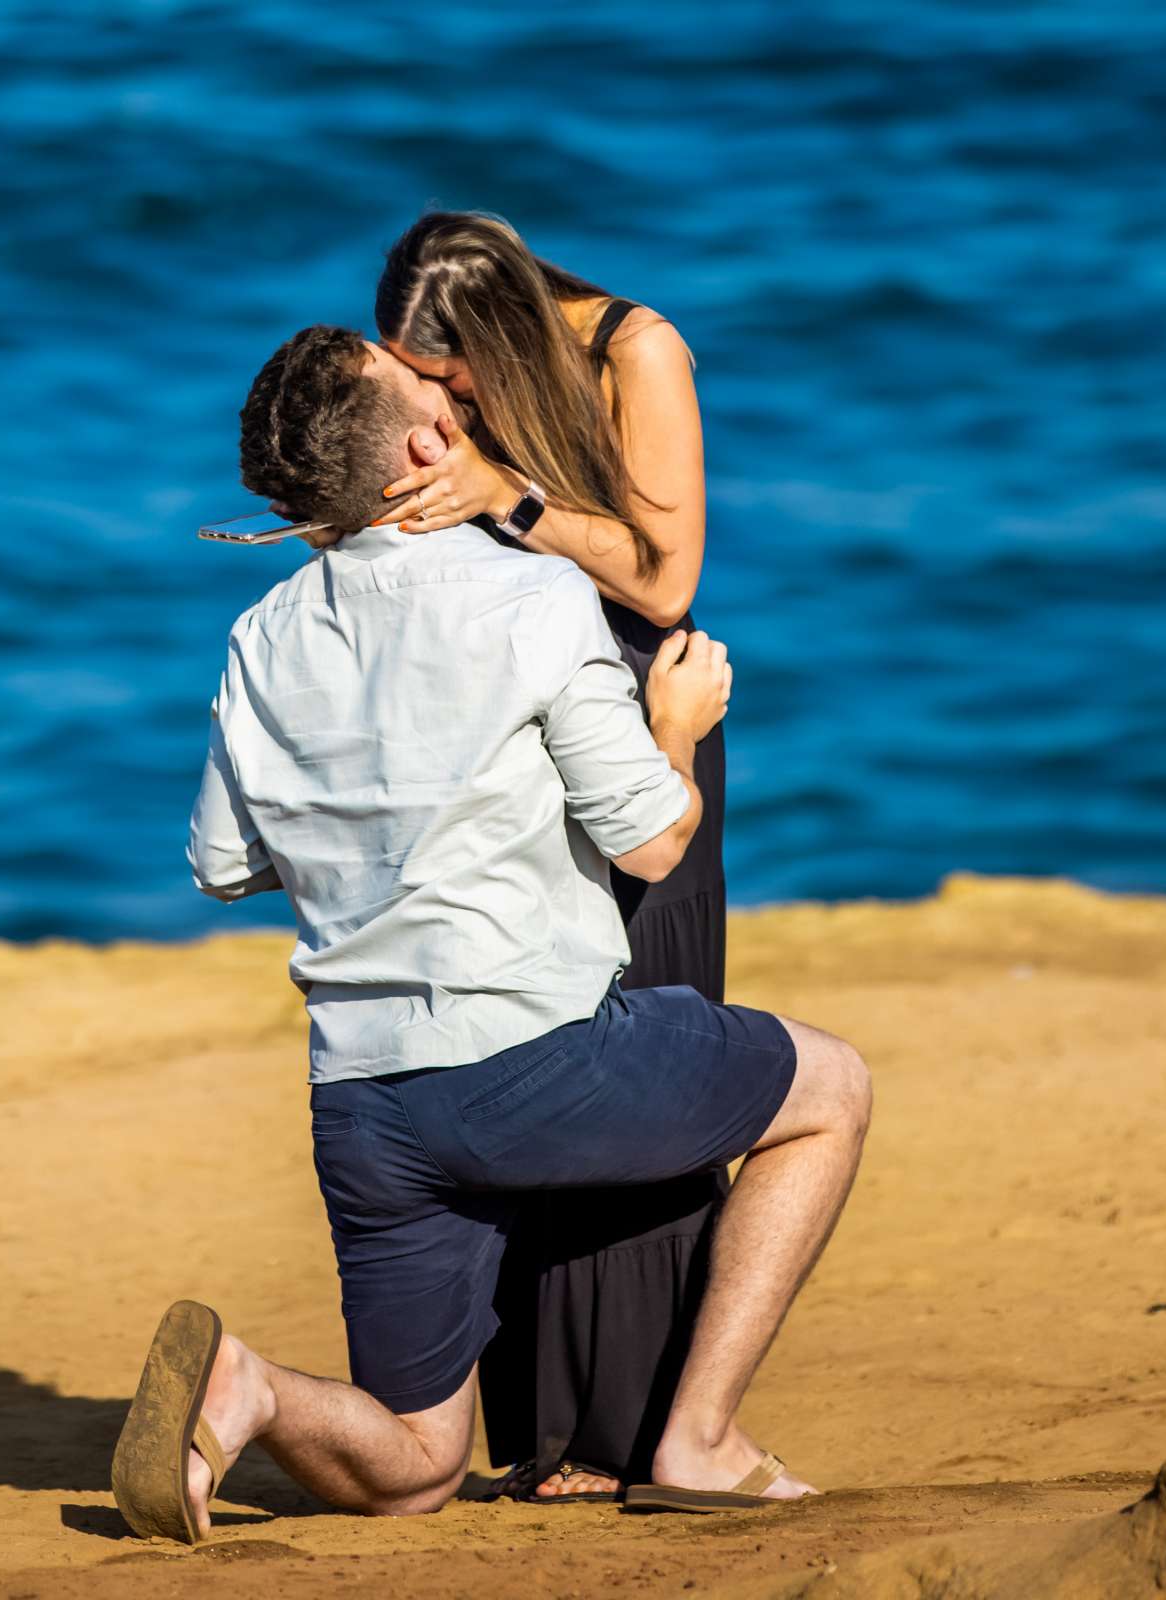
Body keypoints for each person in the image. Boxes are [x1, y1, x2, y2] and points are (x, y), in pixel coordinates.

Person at [108, 325, 872, 1545]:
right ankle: (701, 1438)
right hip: (533, 1068)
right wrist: (675, 721)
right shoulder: (533, 594)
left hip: (364, 1105)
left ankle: (245, 1387)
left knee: (416, 1464)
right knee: (832, 1087)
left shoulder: (261, 634)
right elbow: (654, 845)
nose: (455, 392)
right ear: (426, 443)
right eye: (432, 386)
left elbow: (221, 866)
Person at [371, 211, 727, 1501]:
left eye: (451, 374)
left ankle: (622, 1425)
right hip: (505, 689)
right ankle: (530, 1410)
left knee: (637, 1024)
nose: (443, 397)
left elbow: (666, 577)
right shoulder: (445, 371)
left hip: (638, 700)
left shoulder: (640, 352)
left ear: (503, 334)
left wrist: (509, 500)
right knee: (521, 1017)